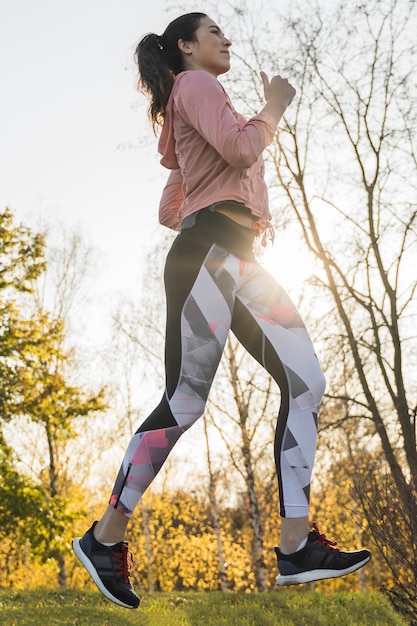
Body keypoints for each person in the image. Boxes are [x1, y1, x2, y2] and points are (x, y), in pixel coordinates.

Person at [72, 12, 371, 609]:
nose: (226, 40)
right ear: (186, 48)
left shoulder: (198, 100)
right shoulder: (196, 86)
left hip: (236, 258)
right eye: (214, 34)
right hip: (209, 256)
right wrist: (274, 107)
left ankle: (295, 545)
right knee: (185, 402)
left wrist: (222, 195)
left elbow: (173, 201)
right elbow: (239, 149)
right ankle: (105, 538)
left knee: (307, 381)